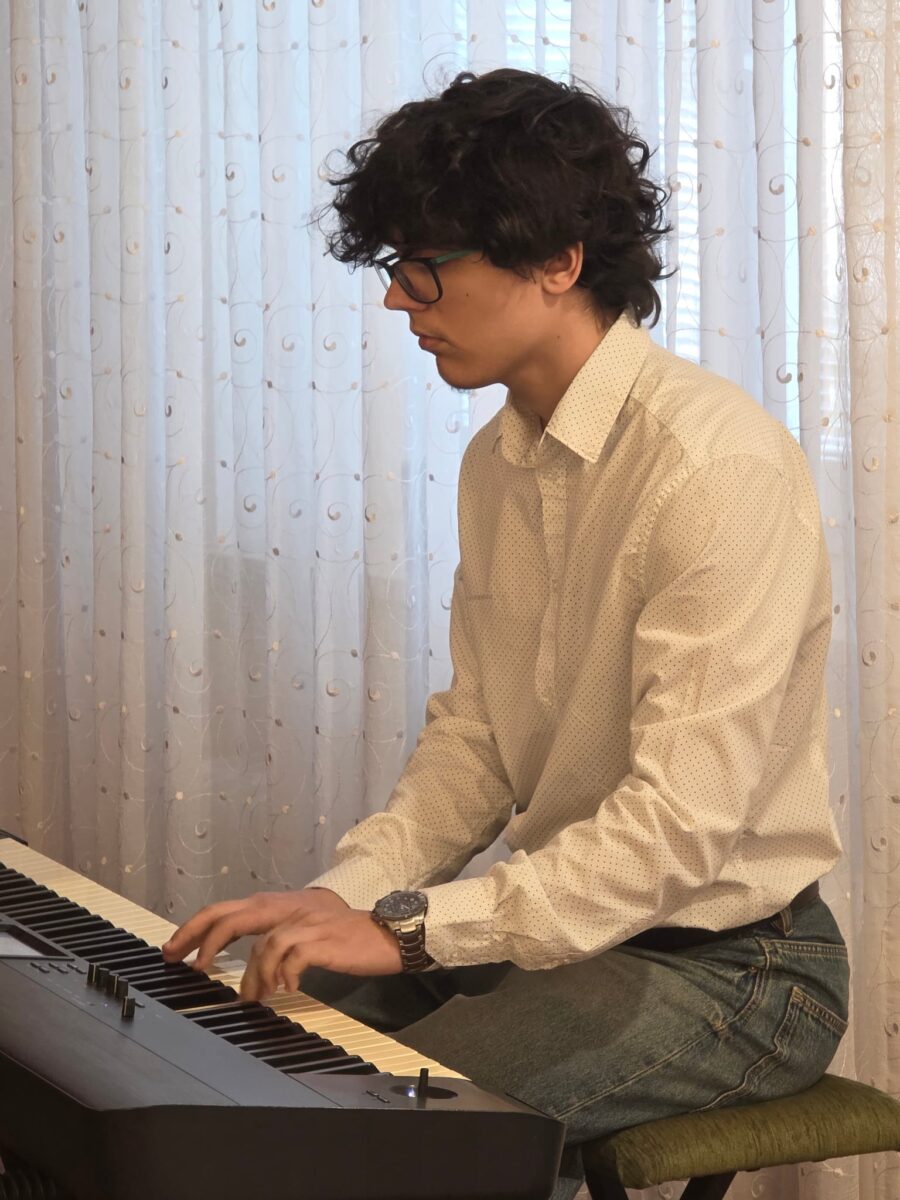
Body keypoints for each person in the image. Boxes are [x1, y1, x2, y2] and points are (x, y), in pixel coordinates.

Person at [162, 68, 849, 1199]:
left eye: (424, 265)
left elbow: (677, 832)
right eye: (396, 266)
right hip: (565, 932)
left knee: (370, 1139)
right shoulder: (499, 459)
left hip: (736, 970)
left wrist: (411, 931)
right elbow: (478, 739)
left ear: (558, 261)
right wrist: (354, 894)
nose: (400, 301)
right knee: (225, 1047)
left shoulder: (716, 468)